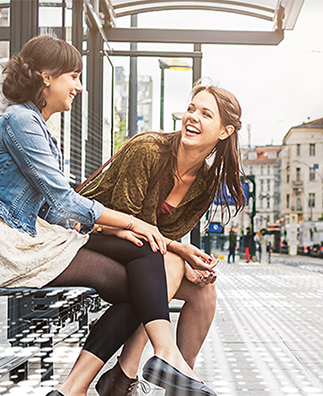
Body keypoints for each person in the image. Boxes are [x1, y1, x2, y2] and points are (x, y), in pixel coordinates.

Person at [0, 35, 216, 396]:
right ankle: (137, 366)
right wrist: (129, 223)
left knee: (145, 263)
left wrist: (114, 231)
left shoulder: (38, 126)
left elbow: (53, 209)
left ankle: (99, 381)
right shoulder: (20, 121)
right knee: (144, 281)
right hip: (7, 246)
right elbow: (63, 201)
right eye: (73, 76)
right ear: (46, 77)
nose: (79, 87)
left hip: (30, 237)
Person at [79, 83, 246, 396]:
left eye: (205, 114)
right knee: (168, 263)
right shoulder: (148, 149)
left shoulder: (206, 183)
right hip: (94, 235)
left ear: (224, 131)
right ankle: (125, 375)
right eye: (192, 108)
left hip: (140, 253)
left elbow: (163, 235)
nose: (192, 117)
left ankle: (181, 378)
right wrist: (181, 251)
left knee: (204, 290)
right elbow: (126, 222)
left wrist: (187, 260)